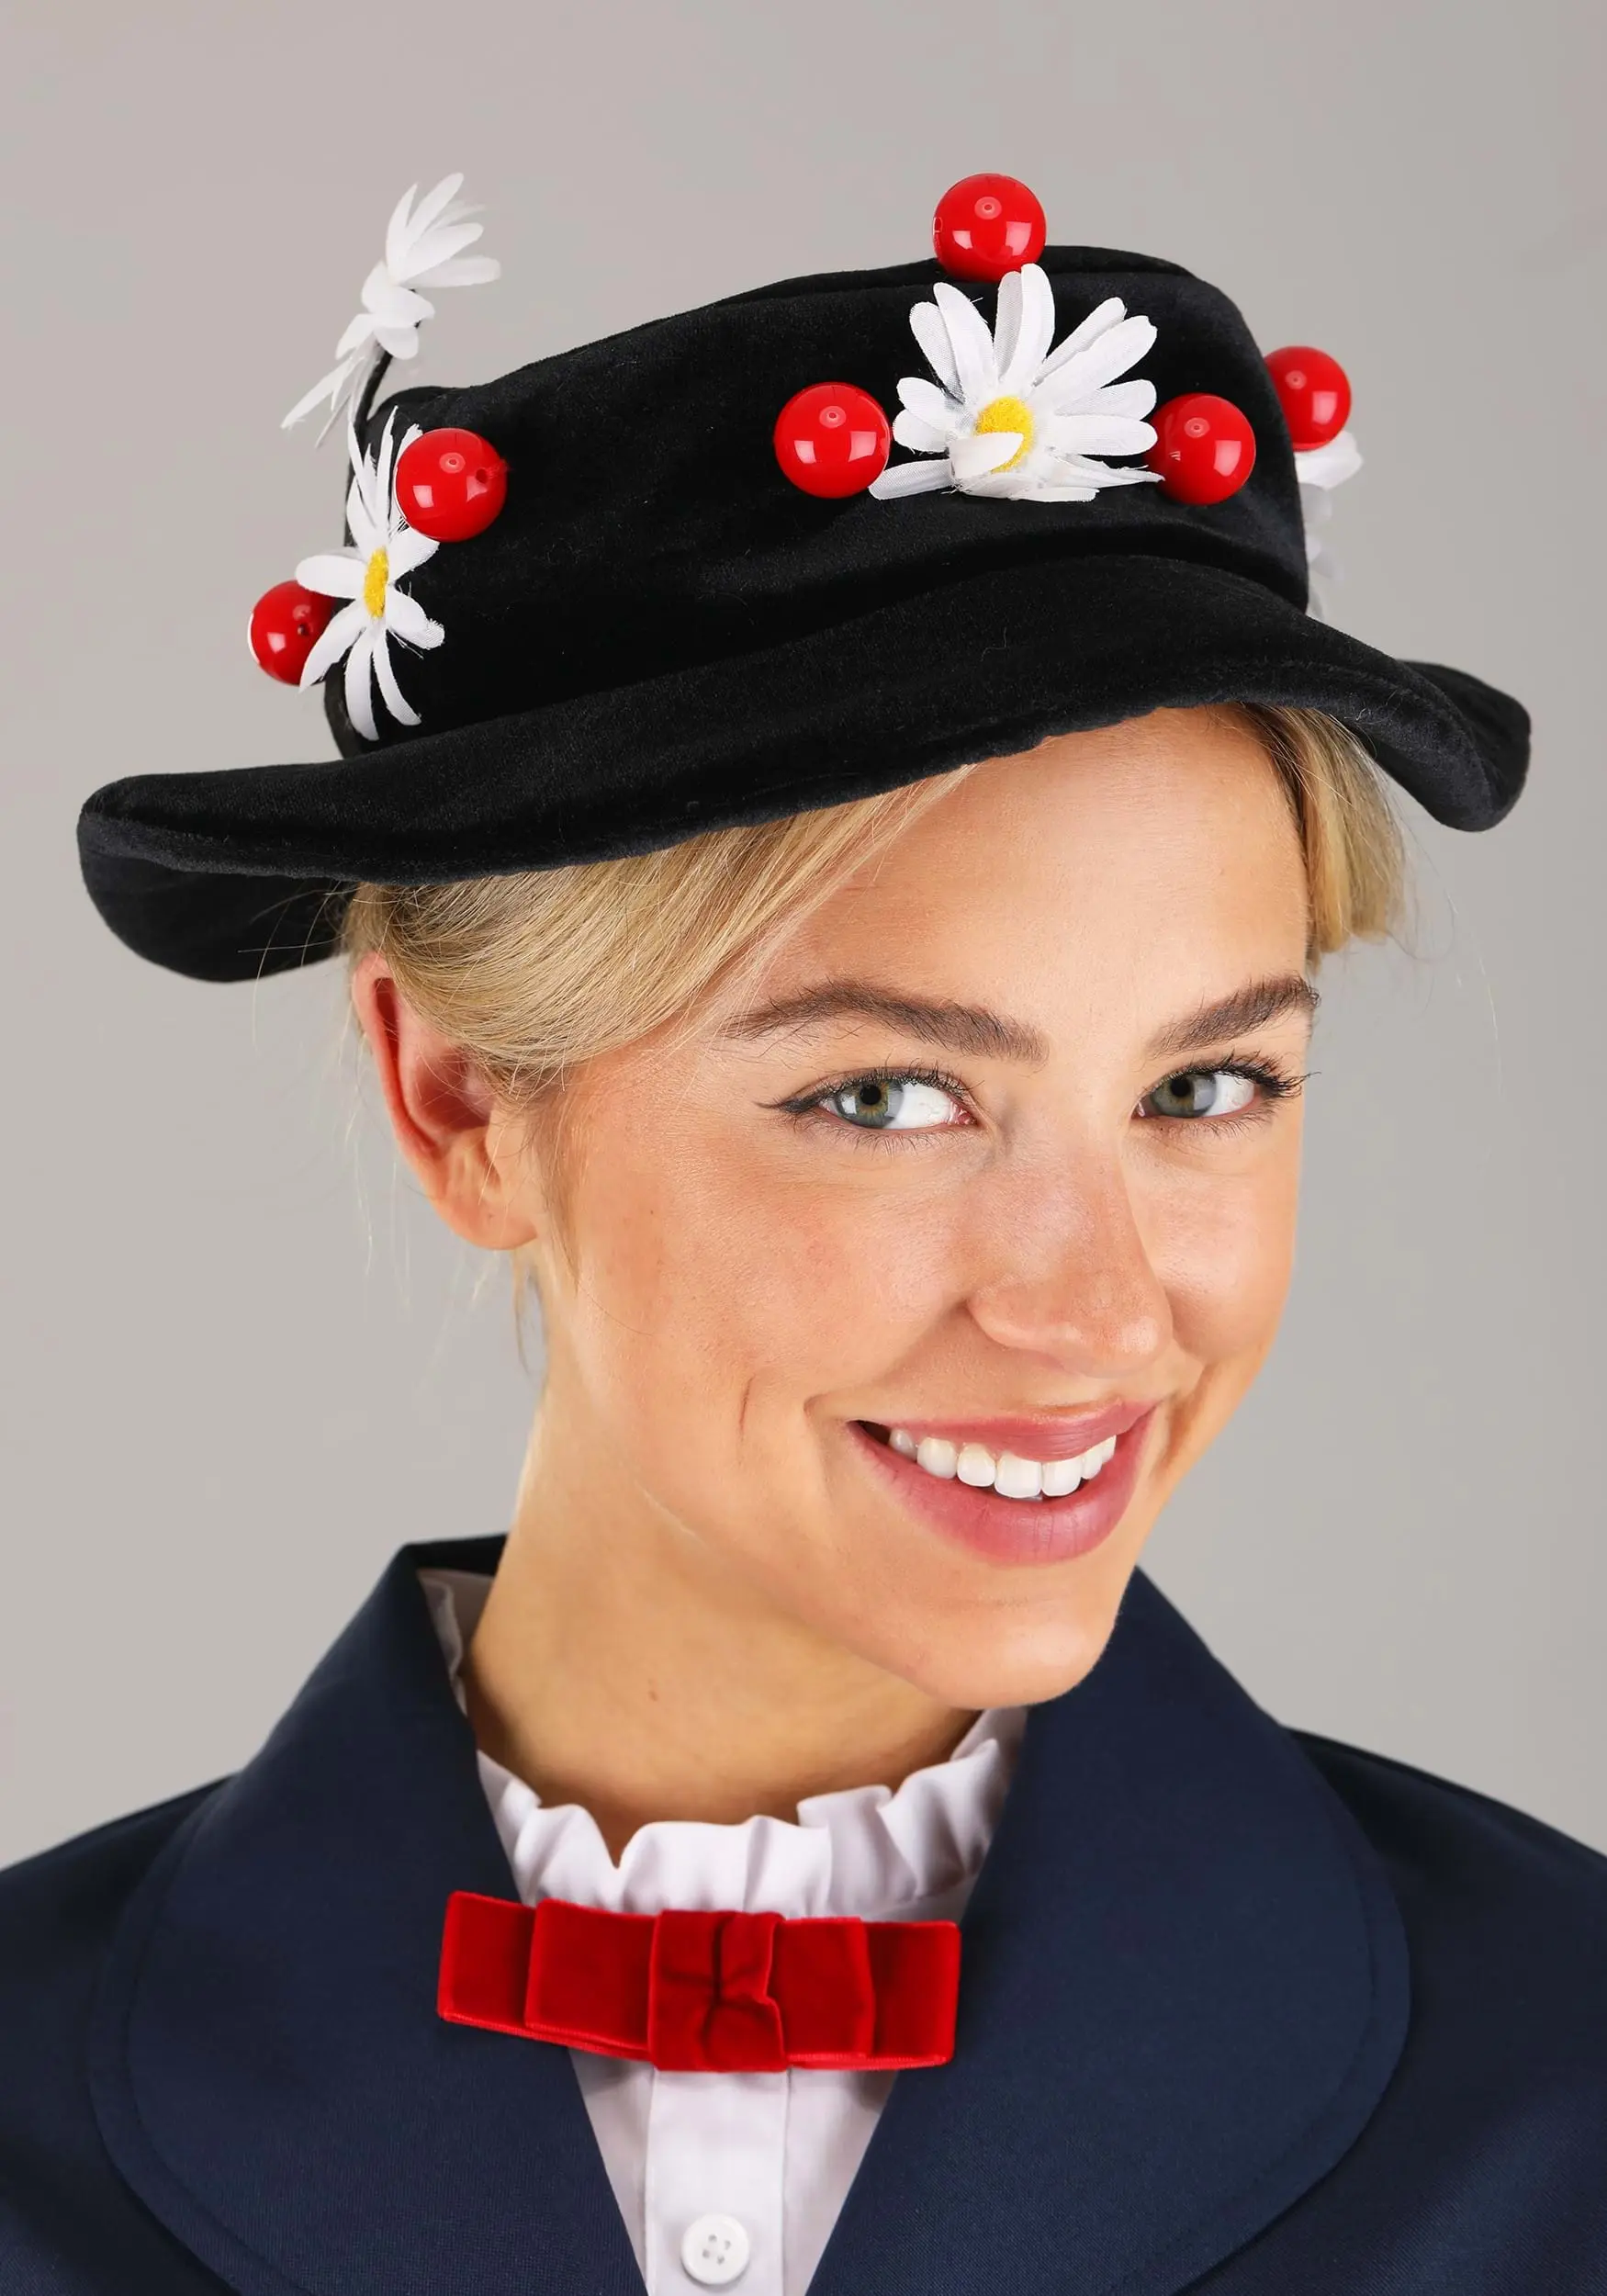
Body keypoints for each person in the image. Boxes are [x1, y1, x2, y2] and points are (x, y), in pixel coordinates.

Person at [6, 170, 1603, 2294]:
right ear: (459, 1096)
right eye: (884, 1096)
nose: (1094, 1307)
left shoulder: (1567, 2086)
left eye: (1204, 1085)